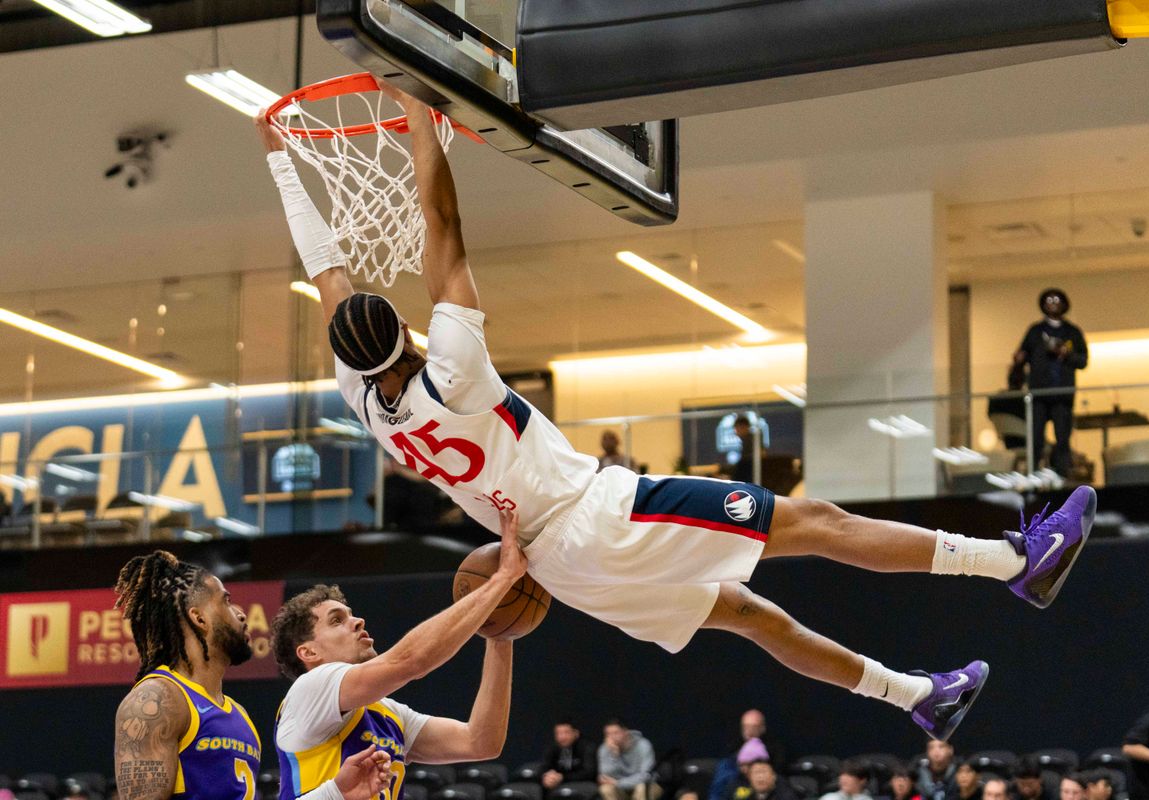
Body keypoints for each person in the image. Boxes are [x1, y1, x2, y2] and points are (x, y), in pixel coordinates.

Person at [257, 86, 1097, 742]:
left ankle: (919, 696)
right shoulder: (454, 370)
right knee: (811, 521)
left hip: (565, 570)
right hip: (596, 514)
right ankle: (1012, 561)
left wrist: (285, 165)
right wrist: (418, 124)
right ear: (402, 337)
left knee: (748, 616)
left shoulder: (365, 402)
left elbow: (327, 274)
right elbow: (440, 230)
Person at [269, 509, 526, 800]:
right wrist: (501, 579)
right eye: (337, 620)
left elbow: (481, 742)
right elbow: (410, 662)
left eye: (351, 615)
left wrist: (502, 631)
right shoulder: (311, 688)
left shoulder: (390, 714)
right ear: (308, 652)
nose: (357, 621)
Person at [113, 550, 391, 800]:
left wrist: (336, 792)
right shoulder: (157, 699)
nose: (241, 613)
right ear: (199, 619)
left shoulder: (238, 714)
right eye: (227, 602)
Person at [1009, 288, 1088, 476]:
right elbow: (1023, 354)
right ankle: (1035, 474)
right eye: (1049, 300)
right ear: (1043, 304)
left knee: (1063, 438)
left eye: (1057, 299)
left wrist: (1067, 355)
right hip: (1039, 394)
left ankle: (1062, 473)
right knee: (1036, 438)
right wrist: (1020, 359)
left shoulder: (1072, 332)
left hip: (1062, 395)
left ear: (1064, 303)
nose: (1053, 303)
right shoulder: (1035, 331)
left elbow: (1083, 361)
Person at [597, 719, 660, 800]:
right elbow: (605, 776)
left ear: (625, 732)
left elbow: (646, 775)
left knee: (642, 788)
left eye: (616, 733)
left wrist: (619, 783)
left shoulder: (643, 745)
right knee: (606, 789)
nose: (612, 737)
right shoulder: (604, 748)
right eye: (608, 734)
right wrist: (614, 755)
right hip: (620, 788)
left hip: (647, 785)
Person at [541, 718, 598, 790]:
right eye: (558, 733)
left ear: (576, 733)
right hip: (557, 784)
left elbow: (589, 773)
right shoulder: (553, 747)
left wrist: (562, 777)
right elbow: (544, 767)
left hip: (581, 784)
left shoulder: (587, 747)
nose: (561, 737)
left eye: (566, 733)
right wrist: (547, 777)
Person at [732, 761, 799, 800]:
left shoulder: (786, 796)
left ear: (774, 777)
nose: (760, 776)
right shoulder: (743, 796)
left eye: (764, 772)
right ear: (750, 779)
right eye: (756, 772)